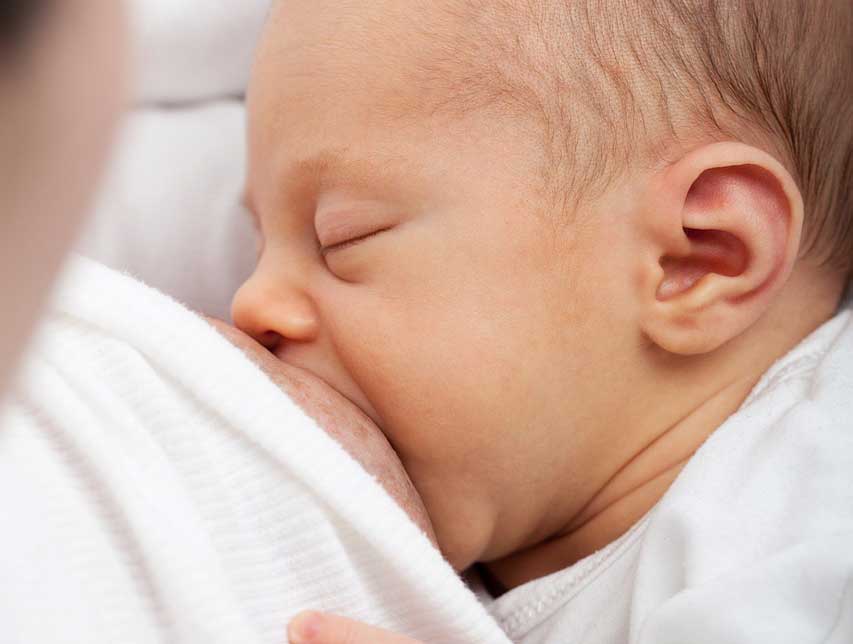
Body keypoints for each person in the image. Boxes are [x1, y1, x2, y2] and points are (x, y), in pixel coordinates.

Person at [235, 1, 853, 642]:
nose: (250, 303)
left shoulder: (804, 502)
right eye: (255, 244)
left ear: (696, 256)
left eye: (344, 237)